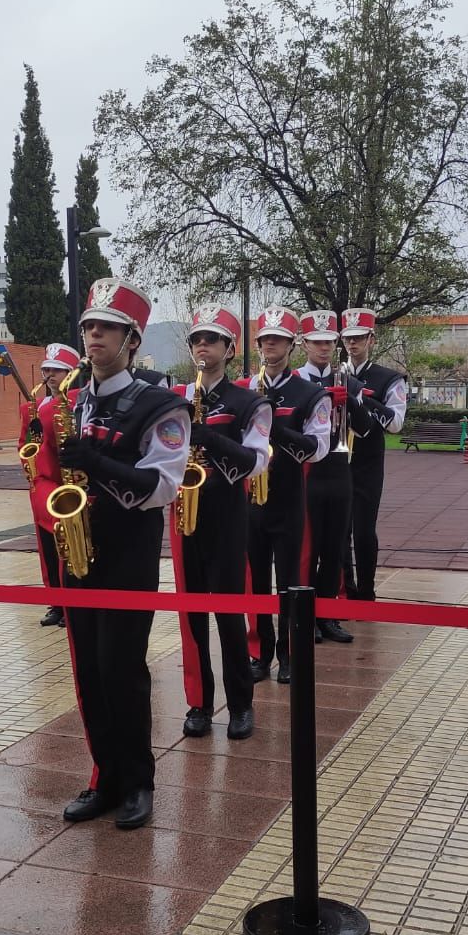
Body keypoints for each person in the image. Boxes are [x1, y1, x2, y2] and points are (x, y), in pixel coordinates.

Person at [49, 278, 190, 830]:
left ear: (132, 339)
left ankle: (137, 780)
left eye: (106, 327)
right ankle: (104, 776)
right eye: (88, 327)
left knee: (121, 669)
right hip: (80, 551)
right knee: (87, 669)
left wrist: (98, 462)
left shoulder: (161, 405)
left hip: (128, 555)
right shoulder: (75, 400)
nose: (93, 336)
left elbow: (162, 487)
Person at [171, 305, 270, 741]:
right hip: (183, 517)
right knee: (191, 617)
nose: (202, 346)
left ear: (230, 349)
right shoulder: (175, 398)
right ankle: (199, 703)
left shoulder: (249, 401)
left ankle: (241, 703)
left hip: (227, 516)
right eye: (196, 339)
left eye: (211, 339)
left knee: (229, 616)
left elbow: (257, 461)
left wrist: (207, 437)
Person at [243, 307, 330, 684]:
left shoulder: (310, 393)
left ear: (292, 344)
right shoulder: (245, 389)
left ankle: (289, 653)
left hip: (289, 498)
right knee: (256, 579)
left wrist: (275, 430)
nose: (270, 345)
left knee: (290, 581)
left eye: (277, 338)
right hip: (250, 501)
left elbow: (319, 447)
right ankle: (259, 651)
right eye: (265, 339)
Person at [297, 310, 365, 645]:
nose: (323, 348)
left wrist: (350, 399)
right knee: (306, 550)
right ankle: (304, 616)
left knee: (335, 548)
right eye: (317, 342)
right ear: (304, 344)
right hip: (307, 470)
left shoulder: (347, 379)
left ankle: (327, 615)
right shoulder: (295, 382)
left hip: (339, 468)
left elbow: (366, 428)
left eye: (328, 342)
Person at [339, 309, 408, 601]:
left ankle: (366, 590)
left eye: (359, 338)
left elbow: (395, 423)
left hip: (367, 463)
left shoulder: (388, 378)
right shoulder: (334, 374)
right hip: (338, 461)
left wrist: (362, 397)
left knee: (364, 530)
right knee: (339, 532)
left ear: (371, 339)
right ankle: (345, 588)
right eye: (348, 339)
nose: (352, 344)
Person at [22, 344, 79, 628]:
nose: (49, 375)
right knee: (46, 549)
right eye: (46, 369)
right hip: (41, 486)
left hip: (64, 484)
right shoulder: (32, 406)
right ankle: (56, 602)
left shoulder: (77, 403)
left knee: (66, 547)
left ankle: (71, 603)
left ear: (69, 373)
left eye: (55, 370)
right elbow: (25, 444)